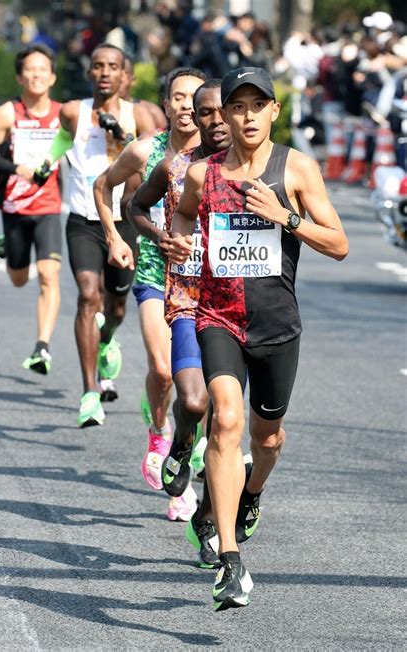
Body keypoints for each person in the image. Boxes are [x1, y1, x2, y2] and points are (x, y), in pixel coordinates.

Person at [167, 66, 349, 610]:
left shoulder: (296, 168)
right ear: (224, 115)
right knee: (224, 419)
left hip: (276, 326)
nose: (247, 116)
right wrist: (178, 245)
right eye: (237, 107)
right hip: (217, 316)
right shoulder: (203, 175)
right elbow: (179, 218)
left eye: (257, 106)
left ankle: (253, 491)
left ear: (274, 111)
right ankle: (228, 559)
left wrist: (285, 217)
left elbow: (338, 244)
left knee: (267, 439)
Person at [94, 67, 207, 521]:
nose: (184, 106)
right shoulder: (146, 150)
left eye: (193, 98)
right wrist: (116, 238)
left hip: (204, 278)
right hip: (156, 271)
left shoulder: (219, 156)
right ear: (165, 104)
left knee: (199, 385)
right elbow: (104, 187)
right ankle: (159, 431)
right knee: (162, 370)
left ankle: (188, 458)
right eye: (177, 97)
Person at [126, 79, 231, 563]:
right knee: (193, 398)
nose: (209, 120)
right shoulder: (175, 166)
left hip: (240, 310)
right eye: (198, 109)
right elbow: (134, 205)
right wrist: (160, 236)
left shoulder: (259, 173)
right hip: (187, 297)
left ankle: (209, 521)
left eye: (217, 111)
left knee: (227, 425)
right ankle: (177, 446)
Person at [47, 43, 156, 427]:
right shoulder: (73, 111)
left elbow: (156, 158)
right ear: (90, 72)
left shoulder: (140, 114)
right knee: (87, 296)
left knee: (117, 307)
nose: (105, 72)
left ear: (124, 74)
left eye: (112, 66)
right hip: (83, 220)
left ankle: (107, 338)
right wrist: (46, 163)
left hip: (124, 225)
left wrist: (125, 138)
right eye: (98, 66)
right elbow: (61, 140)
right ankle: (90, 392)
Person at [0, 44, 62, 375]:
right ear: (19, 76)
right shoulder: (6, 113)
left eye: (43, 69)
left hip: (49, 207)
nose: (36, 75)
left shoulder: (63, 116)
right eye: (30, 69)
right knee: (18, 278)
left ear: (53, 76)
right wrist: (18, 169)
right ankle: (8, 247)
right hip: (15, 208)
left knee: (48, 274)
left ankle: (42, 346)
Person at [120, 55, 168, 131]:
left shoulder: (152, 111)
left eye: (124, 73)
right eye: (114, 71)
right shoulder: (95, 110)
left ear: (133, 80)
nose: (119, 77)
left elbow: (165, 140)